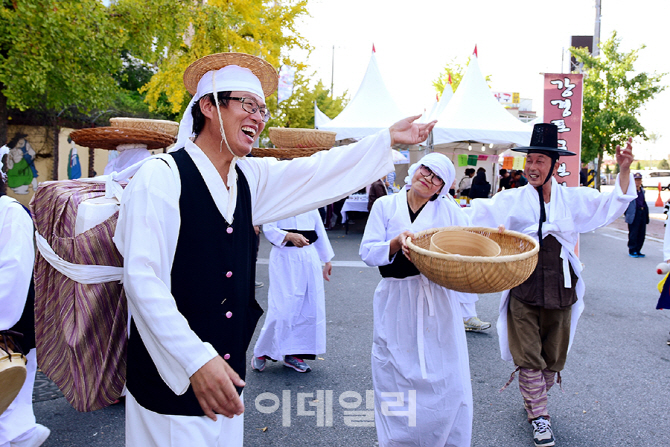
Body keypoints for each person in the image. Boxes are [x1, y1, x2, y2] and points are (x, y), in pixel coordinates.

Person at [113, 52, 437, 446]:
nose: (258, 117)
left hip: (225, 379)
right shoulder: (161, 177)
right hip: (169, 384)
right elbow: (142, 280)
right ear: (208, 107)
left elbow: (315, 172)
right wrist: (194, 358)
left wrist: (383, 140)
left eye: (262, 110)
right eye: (247, 105)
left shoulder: (249, 178)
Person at [465, 124, 635, 447]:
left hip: (561, 287)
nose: (532, 167)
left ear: (555, 165)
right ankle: (540, 418)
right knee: (528, 354)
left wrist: (624, 170)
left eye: (541, 160)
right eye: (530, 160)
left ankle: (534, 402)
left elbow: (611, 203)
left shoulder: (572, 199)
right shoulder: (512, 200)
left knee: (552, 357)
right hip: (524, 287)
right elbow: (476, 214)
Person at [360, 153, 477, 446]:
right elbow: (367, 252)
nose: (428, 178)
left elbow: (472, 243)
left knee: (445, 372)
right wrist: (395, 243)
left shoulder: (448, 212)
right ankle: (398, 438)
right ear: (415, 169)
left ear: (441, 188)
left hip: (437, 299)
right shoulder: (385, 205)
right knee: (394, 370)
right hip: (396, 298)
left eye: (437, 177)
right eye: (426, 169)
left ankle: (444, 436)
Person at [0, 147, 51, 447]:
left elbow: (13, 273)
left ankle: (19, 435)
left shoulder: (9, 212)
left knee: (10, 386)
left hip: (10, 324)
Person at [251, 209, 333, 373]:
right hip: (284, 258)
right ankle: (262, 352)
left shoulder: (310, 201)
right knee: (282, 307)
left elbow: (319, 230)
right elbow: (269, 227)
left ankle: (294, 354)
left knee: (308, 307)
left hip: (309, 257)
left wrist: (327, 259)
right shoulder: (279, 198)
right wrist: (288, 236)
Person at [624, 172, 649, 258]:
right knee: (633, 233)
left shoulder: (642, 190)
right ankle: (632, 250)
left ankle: (638, 250)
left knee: (641, 233)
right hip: (634, 213)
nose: (638, 182)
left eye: (639, 180)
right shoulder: (630, 191)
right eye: (636, 180)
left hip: (642, 212)